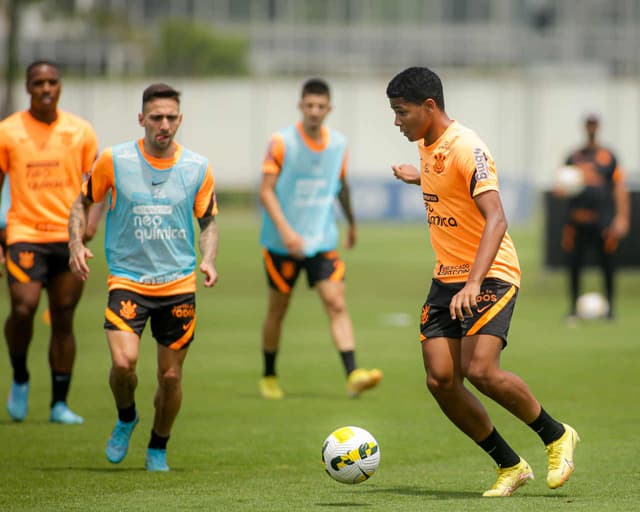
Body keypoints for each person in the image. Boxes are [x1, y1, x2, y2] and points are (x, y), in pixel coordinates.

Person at [387, 67, 579, 497]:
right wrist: (417, 176)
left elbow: (497, 217)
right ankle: (510, 465)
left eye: (402, 112)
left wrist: (473, 284)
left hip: (489, 273)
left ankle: (556, 435)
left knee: (481, 370)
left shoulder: (467, 146)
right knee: (440, 380)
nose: (397, 122)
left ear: (430, 107)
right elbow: (444, 181)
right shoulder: (425, 144)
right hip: (446, 278)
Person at [68, 83, 219, 472]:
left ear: (180, 120)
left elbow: (208, 223)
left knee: (169, 376)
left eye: (171, 117)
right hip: (128, 281)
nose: (164, 124)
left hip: (178, 285)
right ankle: (126, 416)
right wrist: (75, 244)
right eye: (156, 117)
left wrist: (209, 260)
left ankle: (158, 446)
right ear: (142, 120)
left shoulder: (197, 166)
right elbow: (82, 202)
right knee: (123, 365)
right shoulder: (113, 159)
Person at [258, 78, 382, 400]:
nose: (314, 111)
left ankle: (353, 373)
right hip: (280, 243)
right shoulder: (281, 142)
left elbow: (340, 186)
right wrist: (286, 232)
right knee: (278, 309)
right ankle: (269, 375)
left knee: (336, 302)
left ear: (329, 109)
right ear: (301, 107)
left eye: (320, 106)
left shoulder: (338, 144)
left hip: (321, 241)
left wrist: (352, 223)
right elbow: (265, 191)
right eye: (309, 105)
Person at [0, 60, 99, 424]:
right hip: (24, 233)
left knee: (63, 317)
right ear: (27, 87)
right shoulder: (8, 131)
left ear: (60, 86)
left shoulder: (81, 131)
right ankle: (21, 376)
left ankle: (59, 403)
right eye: (38, 82)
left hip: (68, 239)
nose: (45, 88)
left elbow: (98, 185)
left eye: (52, 82)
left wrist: (91, 224)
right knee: (23, 307)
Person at [557, 114, 630, 321]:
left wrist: (622, 217)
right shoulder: (574, 157)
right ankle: (572, 308)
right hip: (576, 221)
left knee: (607, 264)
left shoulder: (608, 156)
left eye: (594, 124)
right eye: (588, 124)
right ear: (584, 127)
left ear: (598, 127)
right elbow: (561, 185)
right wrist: (562, 189)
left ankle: (610, 308)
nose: (591, 128)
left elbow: (619, 188)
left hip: (602, 221)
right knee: (574, 264)